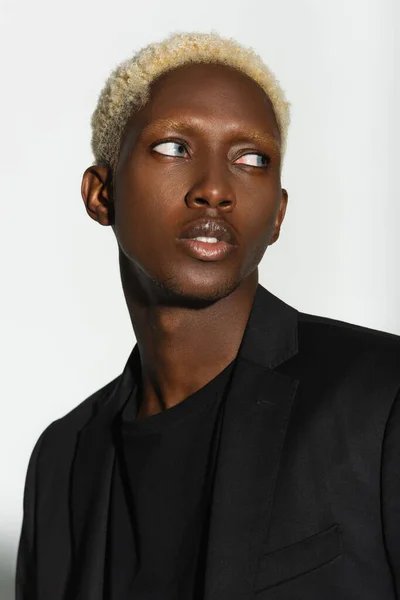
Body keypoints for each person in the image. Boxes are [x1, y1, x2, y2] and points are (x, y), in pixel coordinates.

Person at [16, 31, 400, 600]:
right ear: (101, 193)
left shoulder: (382, 396)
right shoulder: (61, 460)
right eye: (174, 147)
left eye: (251, 159)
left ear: (277, 214)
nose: (215, 190)